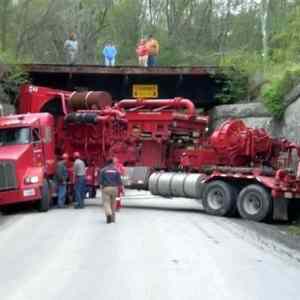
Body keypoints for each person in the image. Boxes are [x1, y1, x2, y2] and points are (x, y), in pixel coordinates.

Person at [99, 158, 123, 224]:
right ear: (112, 163)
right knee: (113, 204)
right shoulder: (116, 170)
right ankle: (113, 219)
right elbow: (119, 181)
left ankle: (108, 214)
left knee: (106, 202)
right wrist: (121, 189)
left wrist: (101, 189)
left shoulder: (103, 170)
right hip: (115, 188)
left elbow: (100, 181)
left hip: (106, 188)